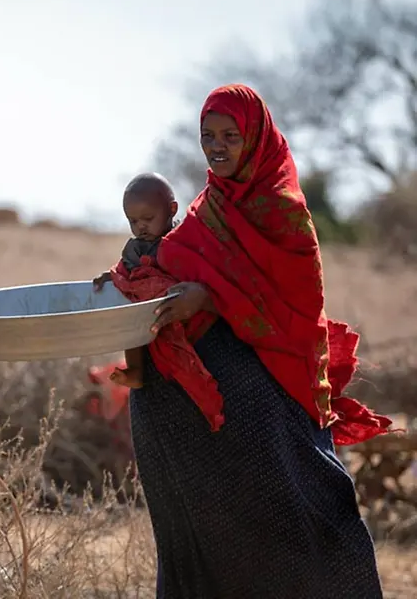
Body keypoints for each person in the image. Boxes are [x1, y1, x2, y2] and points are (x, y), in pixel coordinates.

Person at [122, 83, 395, 598]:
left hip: (272, 384)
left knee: (310, 509)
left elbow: (296, 303)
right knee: (203, 534)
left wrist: (207, 297)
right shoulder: (205, 209)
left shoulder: (283, 212)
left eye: (230, 135)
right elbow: (159, 261)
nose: (217, 147)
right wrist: (130, 272)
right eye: (208, 136)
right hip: (194, 406)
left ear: (256, 138)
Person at [93, 173, 225, 430]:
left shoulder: (182, 241)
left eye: (148, 219)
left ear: (171, 210)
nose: (141, 226)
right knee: (128, 322)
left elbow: (200, 275)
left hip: (185, 320)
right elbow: (125, 271)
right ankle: (135, 372)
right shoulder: (135, 248)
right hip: (147, 320)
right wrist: (111, 277)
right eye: (133, 221)